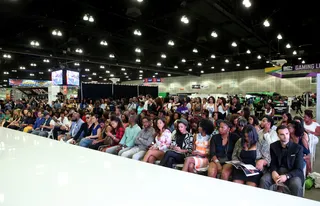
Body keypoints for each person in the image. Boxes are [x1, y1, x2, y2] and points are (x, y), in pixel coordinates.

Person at [260, 125, 304, 197]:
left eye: (287, 133)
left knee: (296, 185)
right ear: (278, 135)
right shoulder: (273, 146)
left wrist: (287, 176)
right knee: (264, 180)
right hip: (277, 170)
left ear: (289, 133)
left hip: (292, 173)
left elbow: (299, 169)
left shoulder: (298, 148)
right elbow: (273, 162)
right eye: (282, 134)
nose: (285, 136)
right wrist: (273, 171)